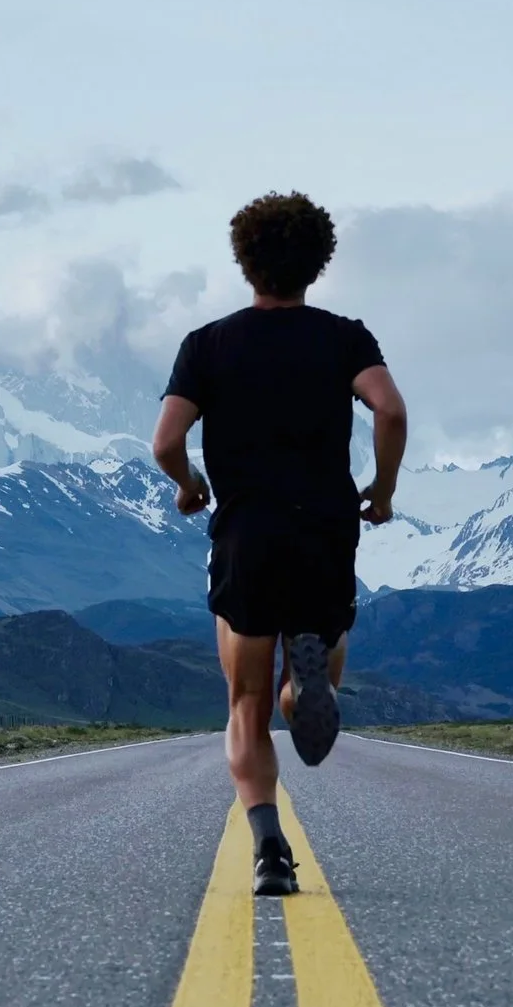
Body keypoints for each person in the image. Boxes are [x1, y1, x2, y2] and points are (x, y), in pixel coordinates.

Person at [151, 191, 408, 896]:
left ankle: (268, 846)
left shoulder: (207, 346)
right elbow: (389, 408)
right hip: (327, 523)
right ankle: (306, 689)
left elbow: (167, 441)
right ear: (317, 263)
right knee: (319, 653)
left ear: (244, 261)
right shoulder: (344, 337)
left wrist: (188, 483)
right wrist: (381, 489)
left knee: (243, 704)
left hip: (247, 532)